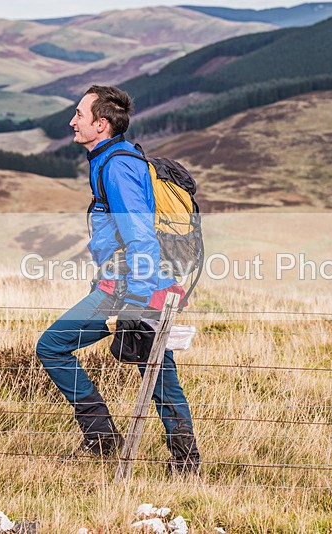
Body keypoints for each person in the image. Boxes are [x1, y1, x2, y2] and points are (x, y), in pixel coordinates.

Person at [35, 85, 200, 474]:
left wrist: (135, 302)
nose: (72, 121)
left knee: (53, 346)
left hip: (130, 289)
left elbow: (141, 235)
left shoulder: (118, 166)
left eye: (79, 114)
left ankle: (102, 438)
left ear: (102, 124)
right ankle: (185, 463)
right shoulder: (109, 160)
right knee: (158, 373)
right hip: (136, 286)